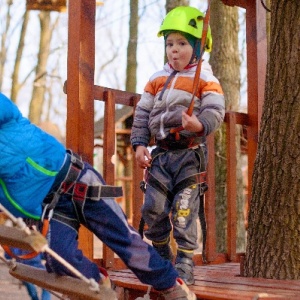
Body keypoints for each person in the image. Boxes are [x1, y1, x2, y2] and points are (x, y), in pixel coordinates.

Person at [0, 91, 196, 300]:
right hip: (52, 206)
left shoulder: (6, 118)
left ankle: (171, 284)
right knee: (59, 258)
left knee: (124, 240)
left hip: (78, 181)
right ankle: (104, 288)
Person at [131, 6, 225, 286]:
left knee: (184, 210)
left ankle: (185, 260)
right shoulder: (156, 79)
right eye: (170, 43)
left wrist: (200, 124)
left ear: (198, 47)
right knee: (153, 208)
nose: (174, 50)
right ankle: (161, 252)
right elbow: (143, 114)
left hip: (189, 155)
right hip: (161, 155)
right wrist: (138, 144)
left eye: (183, 43)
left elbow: (216, 109)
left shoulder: (206, 78)